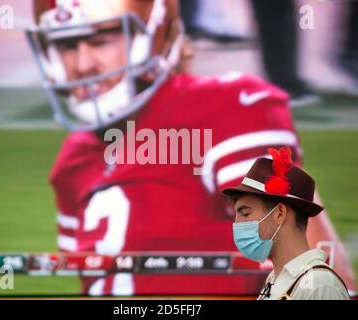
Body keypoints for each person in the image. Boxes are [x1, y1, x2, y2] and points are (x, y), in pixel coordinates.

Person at [26, 0, 355, 296]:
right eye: (66, 45)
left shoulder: (221, 107)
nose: (82, 64)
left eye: (101, 41)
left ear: (154, 35)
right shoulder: (72, 161)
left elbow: (317, 278)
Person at [222, 146, 350, 300]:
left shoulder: (319, 285)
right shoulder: (275, 279)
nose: (237, 223)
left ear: (280, 213)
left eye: (245, 213)